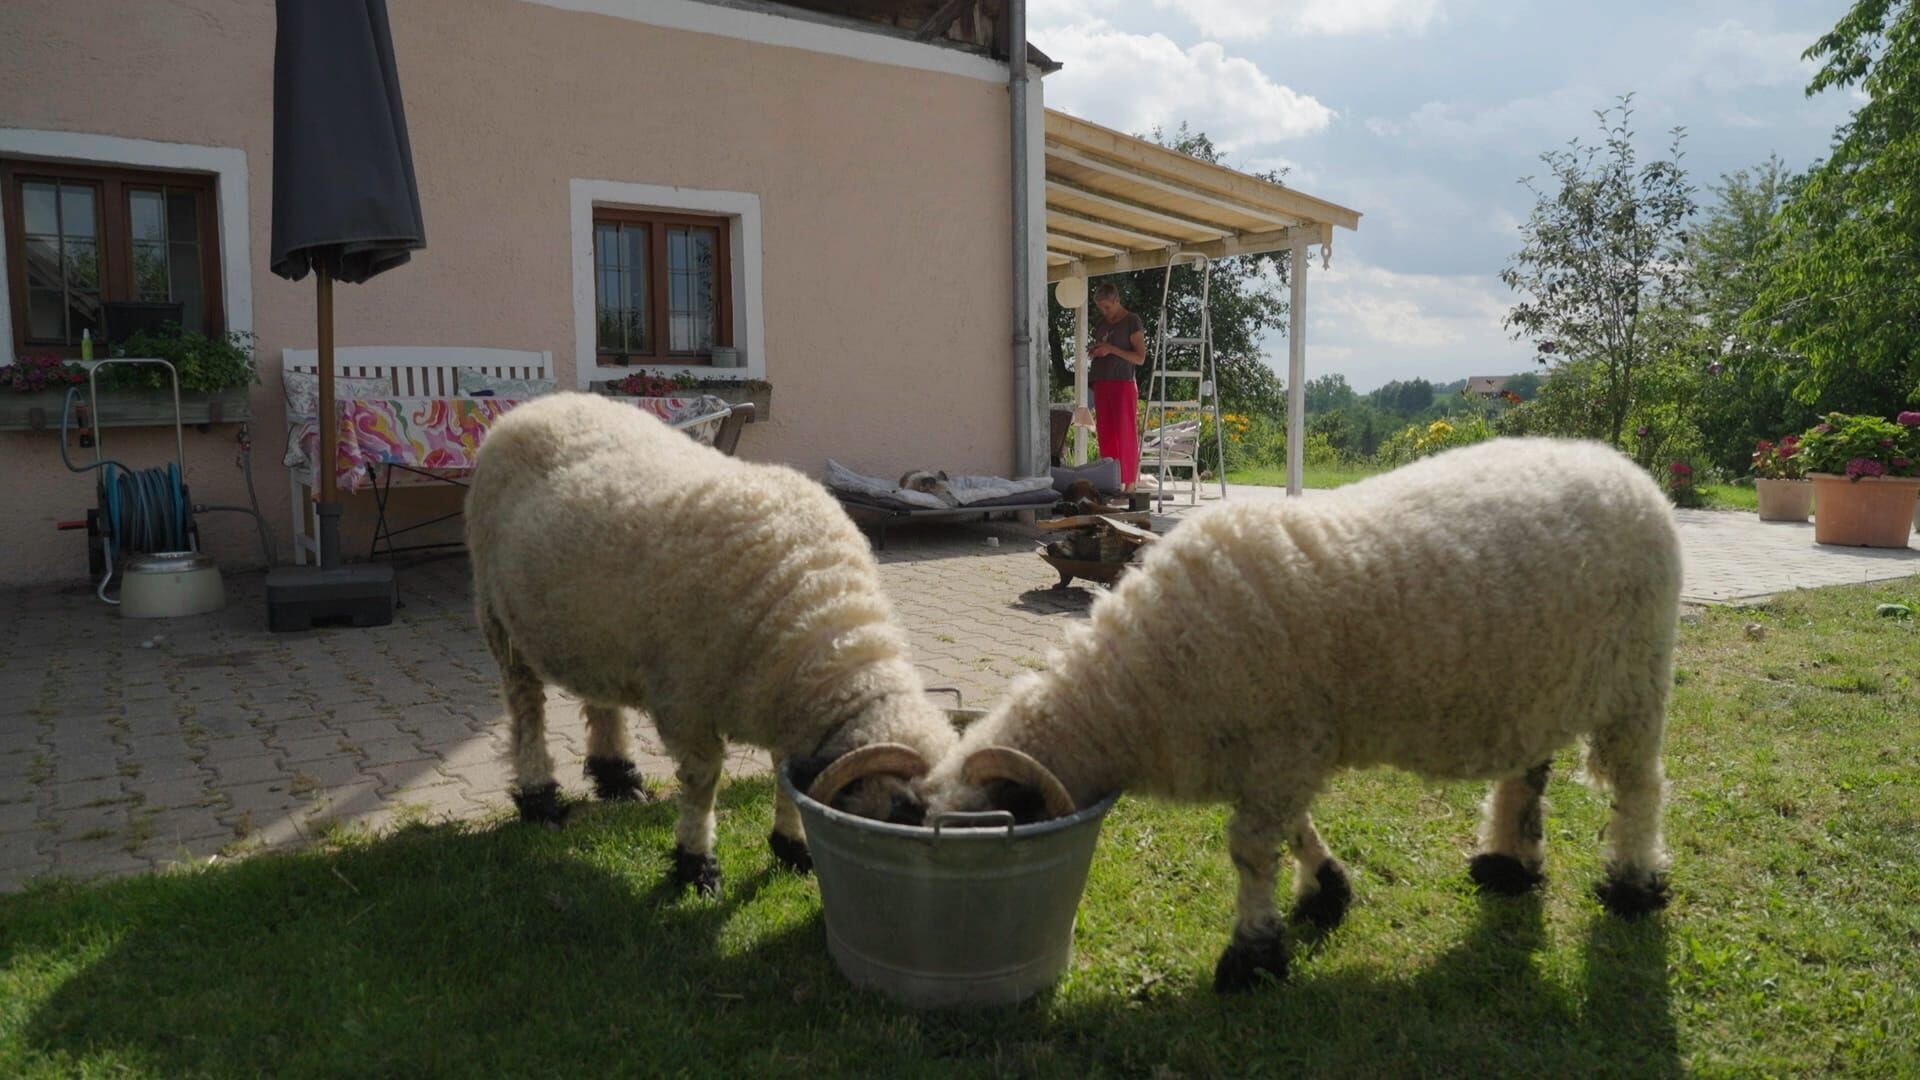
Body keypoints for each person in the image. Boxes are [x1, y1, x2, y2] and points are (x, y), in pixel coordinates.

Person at [1087, 282, 1148, 489]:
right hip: (1101, 382)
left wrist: (1111, 349)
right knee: (1106, 435)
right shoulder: (1101, 324)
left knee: (1125, 433)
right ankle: (1111, 483)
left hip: (1123, 383)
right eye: (1101, 308)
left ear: (1117, 300)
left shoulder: (1132, 321)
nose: (1105, 312)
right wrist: (1096, 351)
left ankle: (1129, 483)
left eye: (1107, 307)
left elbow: (1140, 358)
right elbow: (1105, 348)